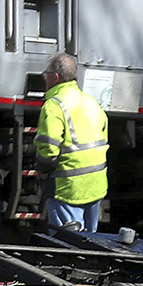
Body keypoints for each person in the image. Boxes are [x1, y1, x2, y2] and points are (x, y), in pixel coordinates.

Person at [34, 52, 109, 231]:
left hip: (68, 188)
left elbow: (48, 149)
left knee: (67, 246)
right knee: (91, 244)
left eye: (45, 75)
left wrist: (43, 172)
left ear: (55, 77)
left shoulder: (54, 106)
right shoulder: (92, 103)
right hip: (96, 186)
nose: (44, 79)